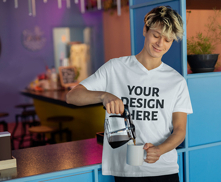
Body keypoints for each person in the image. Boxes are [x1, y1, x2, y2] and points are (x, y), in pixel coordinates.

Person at [66, 5, 193, 182]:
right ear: (145, 30)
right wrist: (104, 96)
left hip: (164, 170)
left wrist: (160, 150)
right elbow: (72, 96)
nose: (160, 44)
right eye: (156, 35)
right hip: (125, 171)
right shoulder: (115, 68)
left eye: (167, 40)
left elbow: (180, 130)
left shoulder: (177, 81)